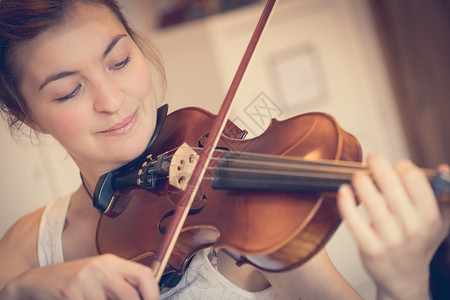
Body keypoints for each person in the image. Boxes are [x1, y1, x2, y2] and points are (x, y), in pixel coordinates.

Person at [0, 0, 448, 299]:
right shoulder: (28, 246)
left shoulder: (250, 217)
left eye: (120, 62)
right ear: (28, 116)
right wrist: (24, 290)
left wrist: (404, 284)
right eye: (68, 92)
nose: (112, 100)